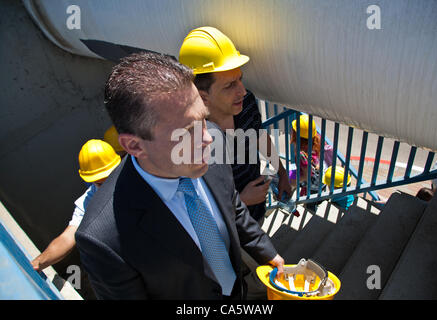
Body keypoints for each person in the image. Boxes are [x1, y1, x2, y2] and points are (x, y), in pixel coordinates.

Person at [75, 52, 284, 300]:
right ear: (134, 146)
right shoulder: (103, 240)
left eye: (203, 120)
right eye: (187, 132)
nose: (208, 139)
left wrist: (267, 253)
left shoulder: (211, 142)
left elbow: (233, 207)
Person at [179, 26, 291, 223]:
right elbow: (193, 207)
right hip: (227, 227)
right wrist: (242, 200)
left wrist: (281, 173)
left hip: (256, 214)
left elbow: (259, 137)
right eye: (230, 85)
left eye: (240, 79)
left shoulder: (246, 104)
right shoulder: (190, 137)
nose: (243, 92)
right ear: (203, 97)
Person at [31, 139, 121, 272]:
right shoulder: (88, 202)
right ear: (90, 180)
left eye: (110, 178)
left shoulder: (141, 174)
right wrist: (37, 263)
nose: (107, 186)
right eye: (100, 183)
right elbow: (66, 239)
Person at [289, 115, 333, 195]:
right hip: (322, 178)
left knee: (284, 179)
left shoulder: (301, 154)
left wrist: (292, 182)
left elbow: (306, 176)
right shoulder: (317, 139)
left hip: (313, 183)